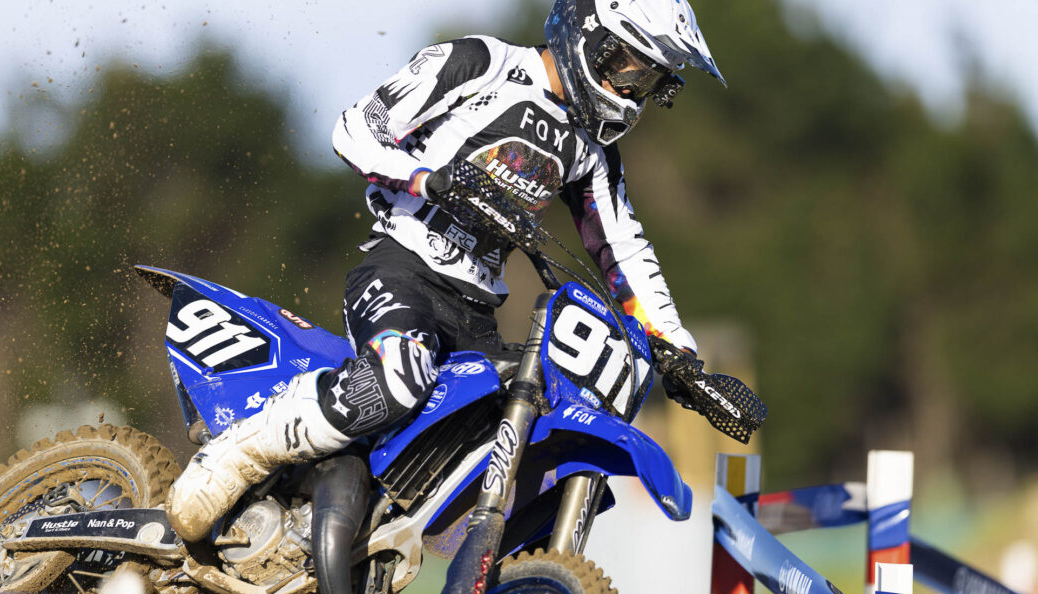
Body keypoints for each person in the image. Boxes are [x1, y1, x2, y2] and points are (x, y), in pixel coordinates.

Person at [167, 0, 725, 543]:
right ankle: (234, 455)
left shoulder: (591, 153)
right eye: (629, 65)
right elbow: (357, 128)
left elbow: (624, 249)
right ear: (590, 35)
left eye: (649, 79)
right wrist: (428, 178)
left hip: (477, 310)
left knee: (512, 438)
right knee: (397, 377)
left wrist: (681, 355)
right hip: (402, 268)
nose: (631, 90)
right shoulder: (483, 63)